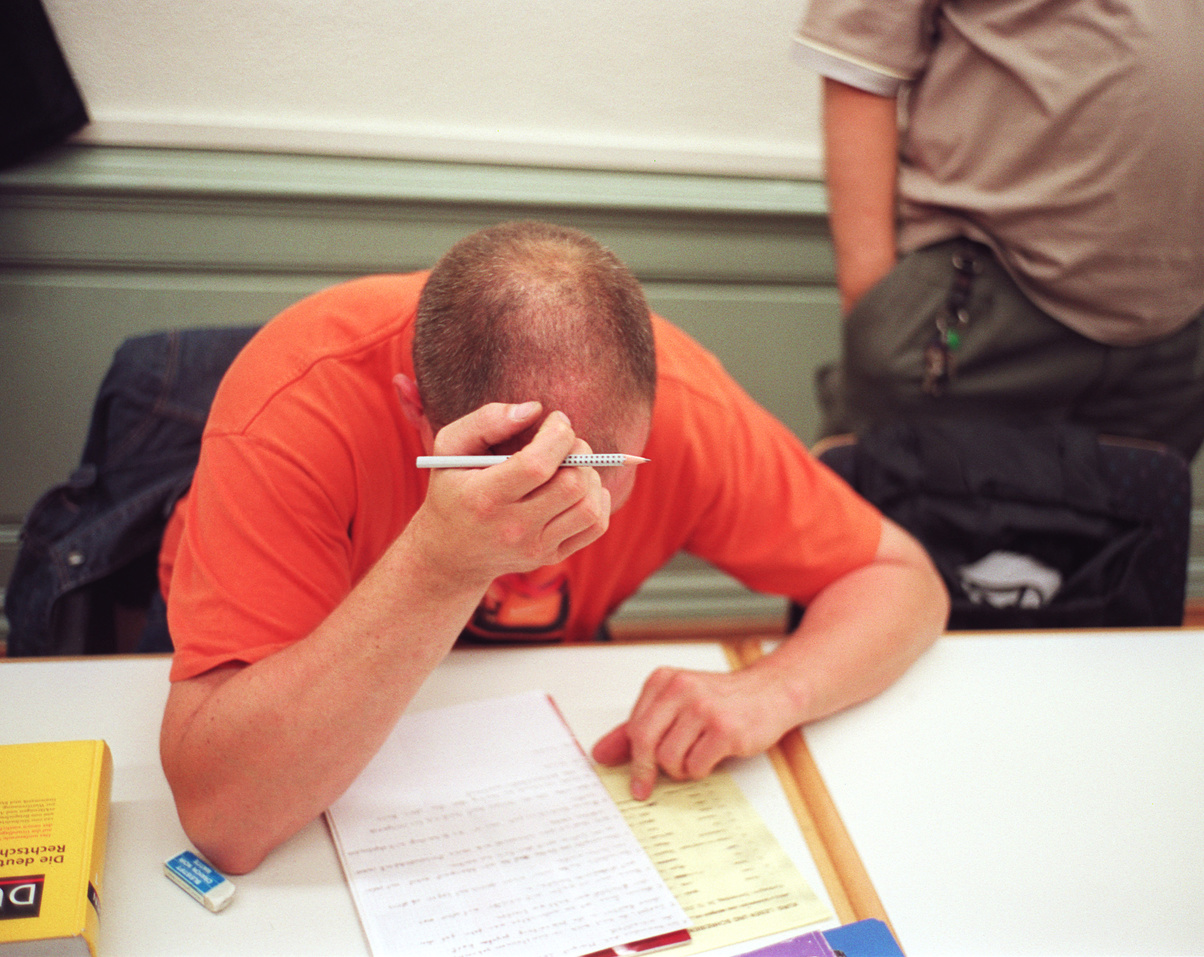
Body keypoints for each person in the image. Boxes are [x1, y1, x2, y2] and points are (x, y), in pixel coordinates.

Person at [157, 220, 948, 874]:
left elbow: (902, 579)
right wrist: (444, 561)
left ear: (649, 415)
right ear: (414, 412)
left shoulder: (691, 415)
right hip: (290, 695)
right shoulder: (297, 403)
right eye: (514, 468)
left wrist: (772, 692)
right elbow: (227, 817)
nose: (562, 507)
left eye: (603, 469)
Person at [792, 0, 1204, 460]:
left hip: (1169, 326)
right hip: (979, 294)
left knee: (1126, 527)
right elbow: (856, 61)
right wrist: (873, 306)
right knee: (899, 527)